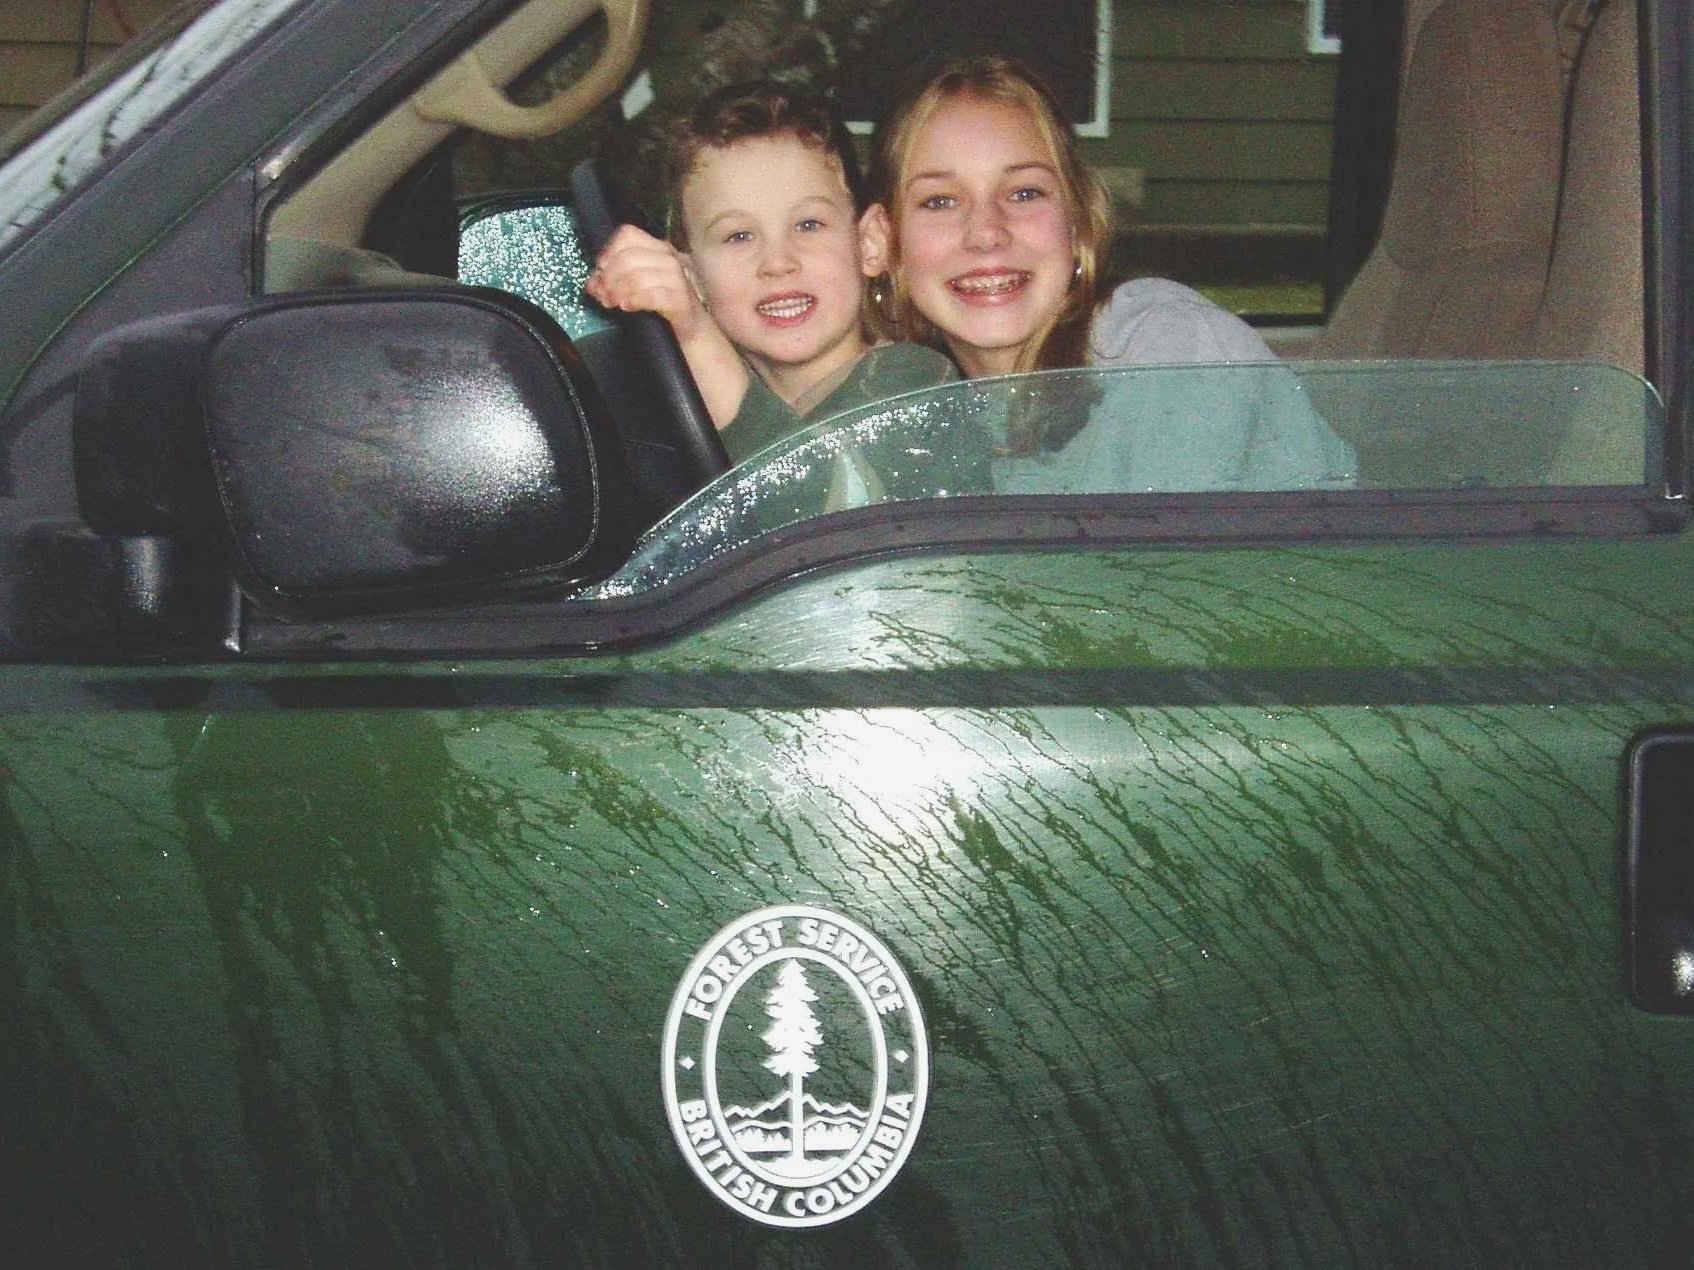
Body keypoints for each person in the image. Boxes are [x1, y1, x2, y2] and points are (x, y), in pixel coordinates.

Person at [862, 55, 1355, 490]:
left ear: (1076, 221)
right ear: (884, 241)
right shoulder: (924, 404)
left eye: (1025, 193)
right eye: (941, 201)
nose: (986, 232)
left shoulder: (1166, 350)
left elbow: (1150, 585)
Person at [585, 79, 957, 464]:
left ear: (869, 243)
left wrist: (695, 335)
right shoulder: (677, 420)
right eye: (738, 236)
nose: (778, 263)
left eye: (809, 225)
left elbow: (813, 506)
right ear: (690, 276)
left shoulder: (916, 381)